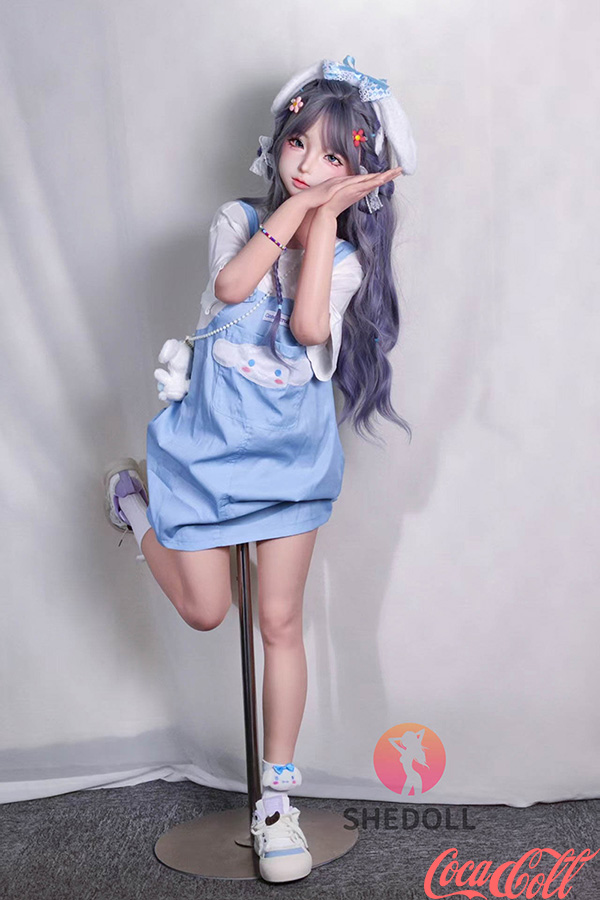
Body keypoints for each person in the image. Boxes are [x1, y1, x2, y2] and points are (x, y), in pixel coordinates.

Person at [103, 54, 417, 884]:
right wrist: (296, 211)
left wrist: (321, 227)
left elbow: (309, 327)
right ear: (276, 143)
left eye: (333, 157)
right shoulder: (237, 220)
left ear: (360, 177)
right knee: (208, 612)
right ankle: (133, 502)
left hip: (288, 466)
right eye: (298, 144)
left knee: (278, 623)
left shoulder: (344, 263)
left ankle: (275, 804)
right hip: (207, 452)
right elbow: (235, 285)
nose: (308, 165)